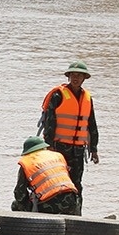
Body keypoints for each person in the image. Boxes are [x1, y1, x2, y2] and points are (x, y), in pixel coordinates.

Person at [38, 60, 101, 193]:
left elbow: (92, 125)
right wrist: (49, 146)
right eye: (73, 75)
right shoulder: (58, 95)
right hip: (59, 147)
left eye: (79, 75)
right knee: (57, 181)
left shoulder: (87, 98)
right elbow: (50, 122)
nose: (75, 78)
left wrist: (93, 149)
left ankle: (75, 211)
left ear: (84, 78)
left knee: (76, 183)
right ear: (68, 76)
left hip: (78, 150)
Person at [13, 135, 82, 214]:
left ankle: (28, 225)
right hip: (71, 199)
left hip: (49, 203)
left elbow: (19, 194)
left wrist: (29, 203)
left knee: (16, 205)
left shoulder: (27, 163)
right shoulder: (58, 156)